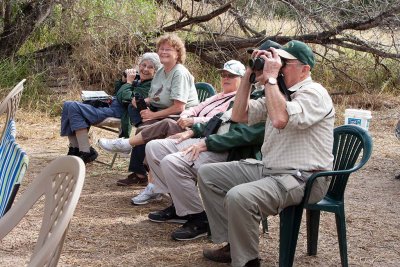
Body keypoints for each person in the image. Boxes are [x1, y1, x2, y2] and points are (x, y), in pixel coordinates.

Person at [198, 40, 335, 267]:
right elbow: (238, 115)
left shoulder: (314, 92)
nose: (278, 66)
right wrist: (249, 77)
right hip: (271, 171)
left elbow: (281, 119)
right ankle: (233, 245)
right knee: (208, 174)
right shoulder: (278, 93)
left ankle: (248, 261)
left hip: (305, 178)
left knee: (240, 196)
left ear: (305, 69)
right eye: (276, 61)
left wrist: (270, 79)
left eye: (284, 62)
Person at [143, 73, 270, 240]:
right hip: (210, 140)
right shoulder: (254, 94)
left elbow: (248, 135)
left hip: (230, 150)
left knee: (172, 162)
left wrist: (208, 143)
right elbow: (221, 119)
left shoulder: (274, 99)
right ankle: (180, 207)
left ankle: (199, 219)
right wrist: (193, 131)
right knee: (155, 147)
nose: (258, 71)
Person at [98, 59, 245, 197]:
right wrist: (186, 115)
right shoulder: (219, 96)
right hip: (188, 126)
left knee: (166, 123)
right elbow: (195, 108)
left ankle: (127, 146)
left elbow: (219, 120)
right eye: (223, 75)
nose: (226, 78)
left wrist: (193, 120)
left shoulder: (237, 100)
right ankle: (151, 182)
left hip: (201, 135)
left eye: (231, 76)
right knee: (146, 126)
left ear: (242, 80)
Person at [101, 33, 199, 184]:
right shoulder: (160, 71)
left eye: (169, 49)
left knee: (146, 127)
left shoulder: (179, 73)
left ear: (178, 53)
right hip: (163, 113)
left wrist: (152, 115)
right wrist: (141, 101)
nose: (163, 52)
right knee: (141, 120)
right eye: (161, 48)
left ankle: (128, 147)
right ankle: (142, 174)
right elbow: (155, 97)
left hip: (181, 119)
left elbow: (179, 107)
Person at [60, 52, 161, 163]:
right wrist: (123, 80)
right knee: (67, 105)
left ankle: (86, 152)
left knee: (74, 107)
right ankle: (75, 148)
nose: (145, 69)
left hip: (119, 112)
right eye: (143, 65)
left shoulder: (150, 85)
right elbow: (118, 92)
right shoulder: (138, 80)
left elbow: (126, 98)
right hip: (110, 106)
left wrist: (128, 82)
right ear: (139, 65)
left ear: (155, 71)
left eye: (150, 67)